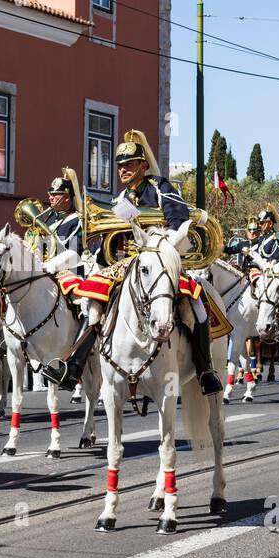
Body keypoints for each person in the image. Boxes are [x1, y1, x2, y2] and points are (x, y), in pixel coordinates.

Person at [42, 130, 221, 394]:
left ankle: (206, 370)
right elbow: (109, 243)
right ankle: (74, 365)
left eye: (129, 165)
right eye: (120, 166)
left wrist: (162, 241)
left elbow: (178, 221)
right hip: (125, 265)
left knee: (195, 304)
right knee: (93, 298)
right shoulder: (118, 200)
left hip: (160, 259)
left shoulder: (161, 188)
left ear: (143, 165)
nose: (123, 170)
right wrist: (103, 256)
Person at [36, 171, 83, 260]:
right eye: (50, 194)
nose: (50, 197)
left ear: (66, 198)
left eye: (55, 194)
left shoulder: (77, 221)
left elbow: (74, 253)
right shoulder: (50, 216)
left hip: (68, 271)